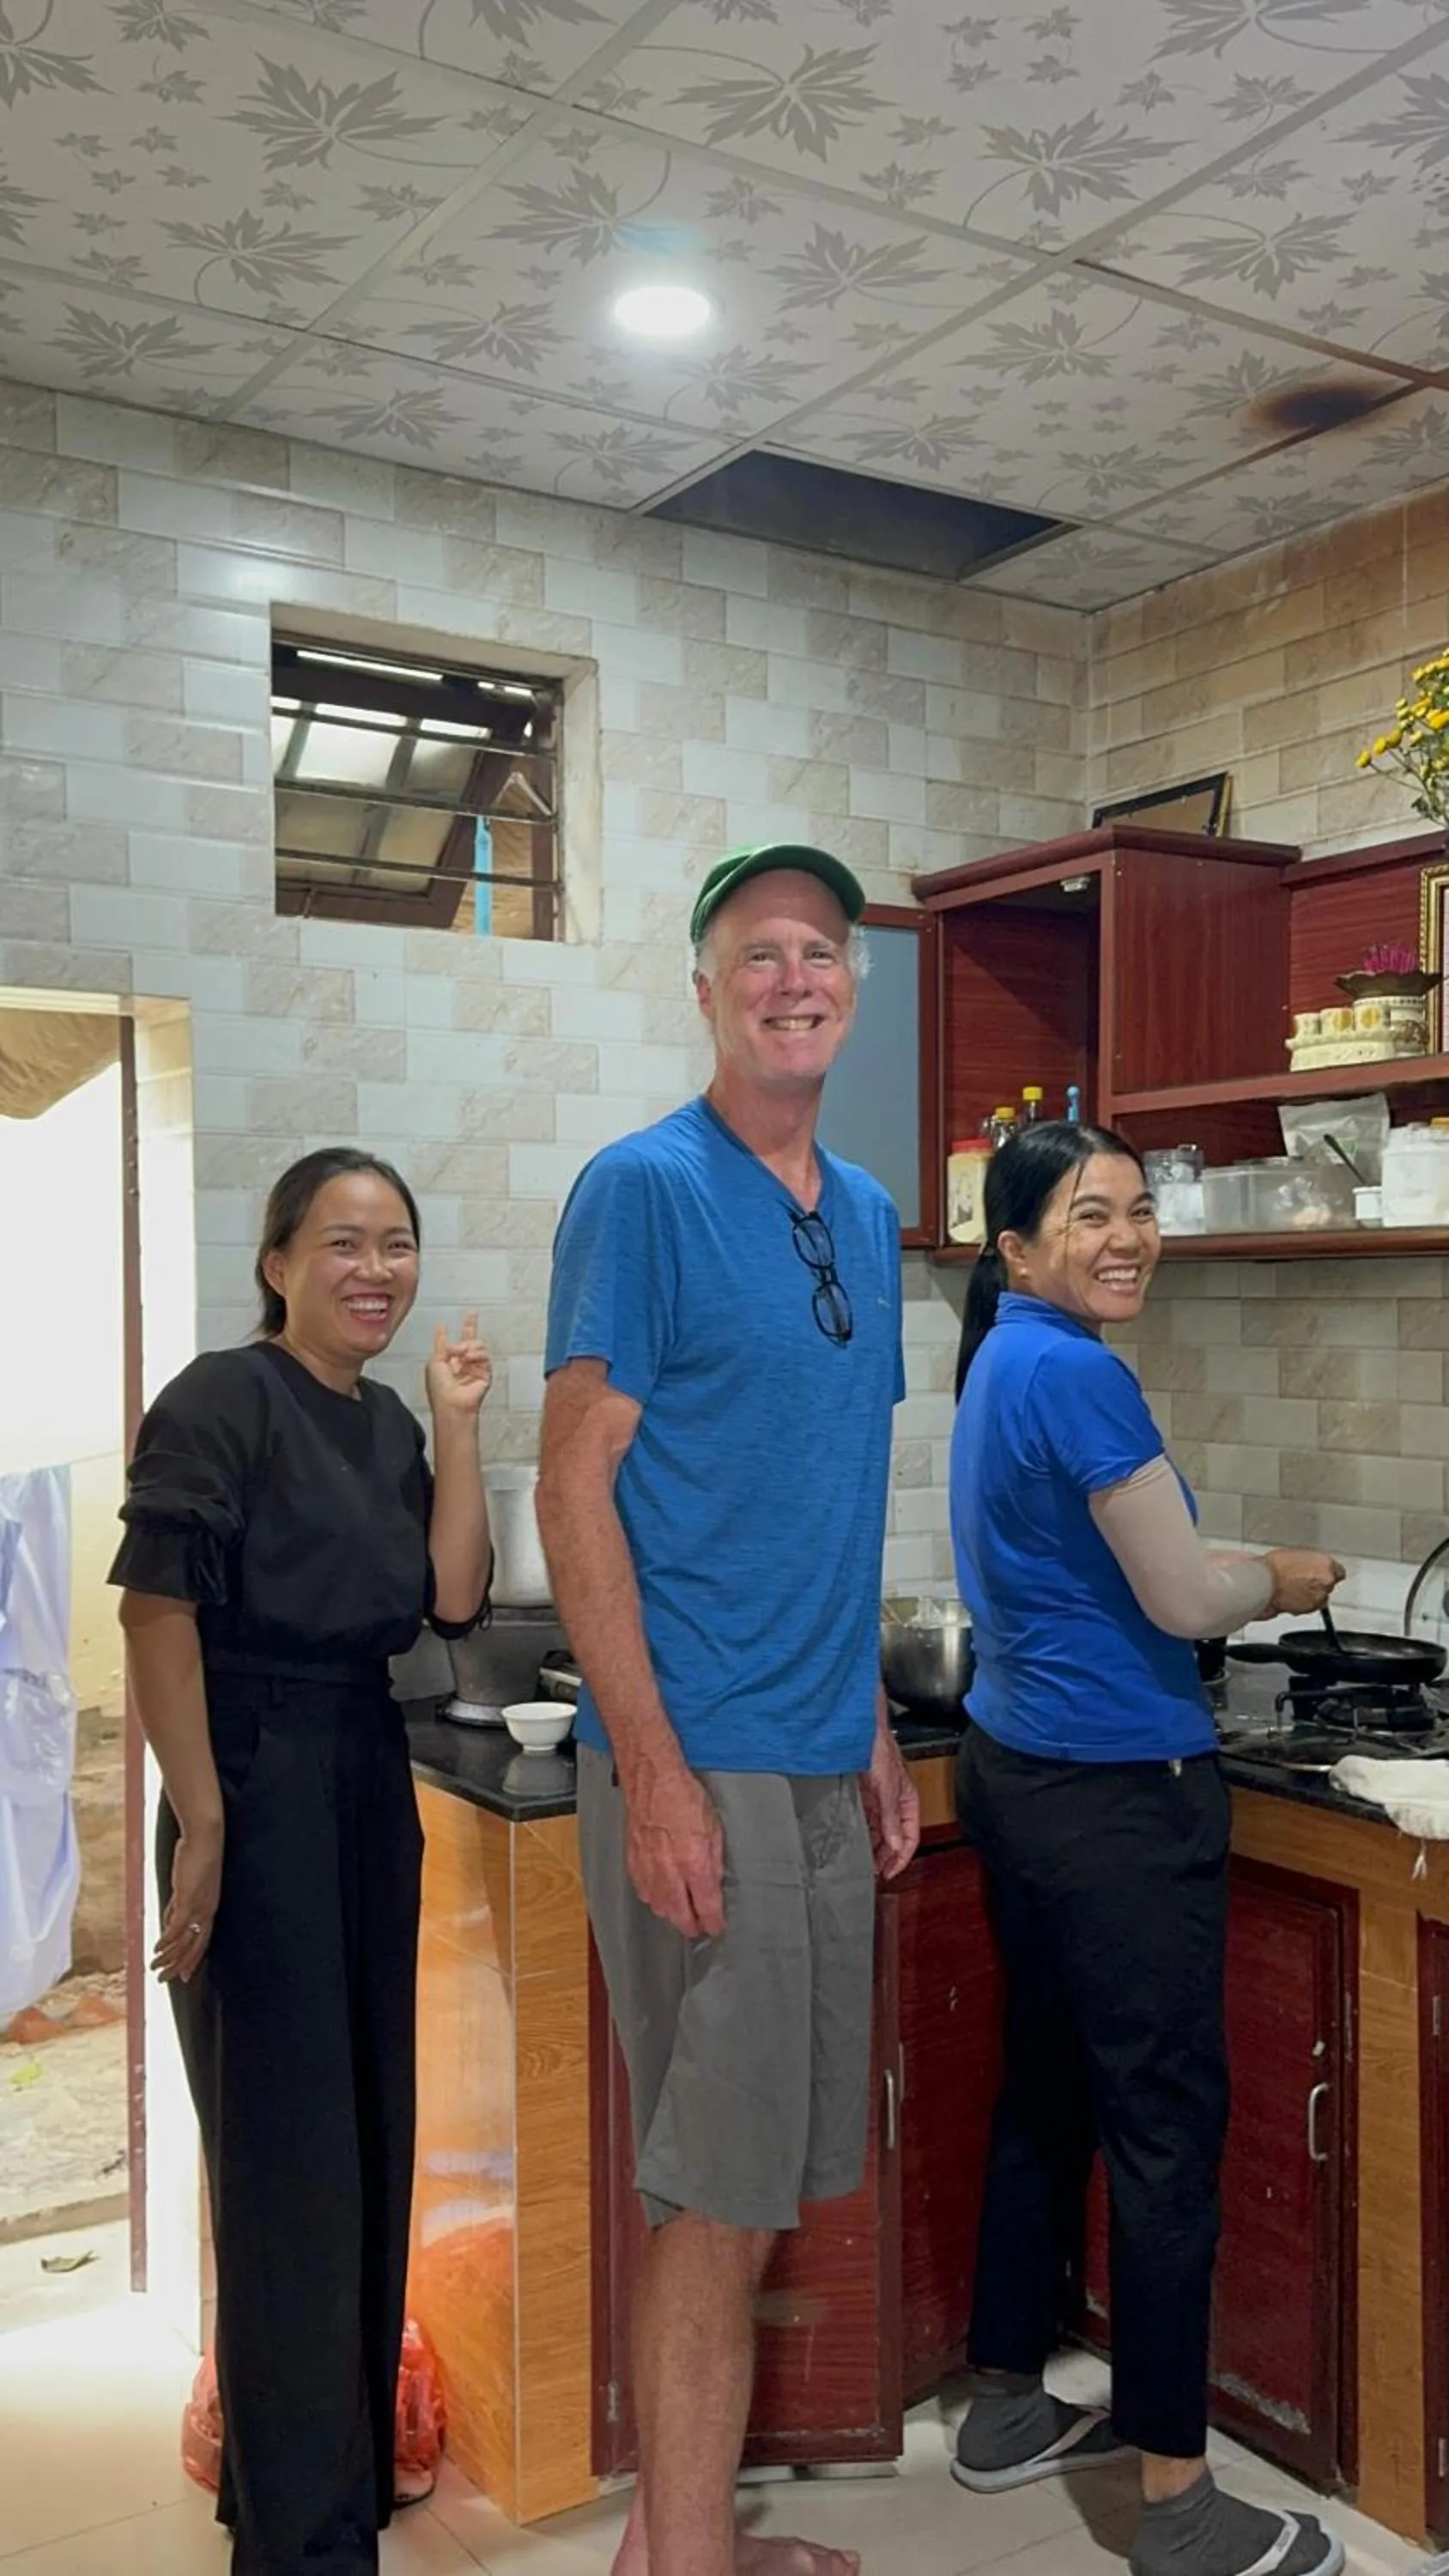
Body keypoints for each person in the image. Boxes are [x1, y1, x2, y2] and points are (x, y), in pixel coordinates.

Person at [537, 842, 920, 2576]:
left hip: (814, 1758)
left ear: (854, 985)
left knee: (761, 2178)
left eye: (818, 951)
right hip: (699, 1769)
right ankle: (683, 2565)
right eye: (755, 953)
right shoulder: (644, 1189)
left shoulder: (855, 1210)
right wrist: (654, 1771)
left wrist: (870, 1723)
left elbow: (814, 1492)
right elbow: (570, 1490)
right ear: (705, 990)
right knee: (706, 2202)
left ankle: (664, 2551)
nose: (792, 977)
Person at [947, 1119, 1346, 2576]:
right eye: (1088, 1216)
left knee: (1045, 2089)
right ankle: (1177, 2505)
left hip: (1018, 1774)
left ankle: (1000, 2404)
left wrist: (1211, 1568)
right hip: (1119, 1798)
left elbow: (1111, 1567)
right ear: (1018, 1249)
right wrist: (1282, 1577)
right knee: (1167, 2139)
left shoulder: (1000, 1361)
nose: (1127, 1237)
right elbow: (1182, 1598)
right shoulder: (1082, 1375)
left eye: (1138, 1208)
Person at [112, 1148, 493, 2576]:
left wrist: (456, 1425)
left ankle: (319, 2498)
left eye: (397, 1242)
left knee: (365, 2150)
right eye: (342, 1242)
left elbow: (451, 1594)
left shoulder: (390, 1420)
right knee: (284, 2173)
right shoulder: (223, 1400)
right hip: (251, 1776)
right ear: (278, 1264)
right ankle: (301, 2543)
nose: (375, 1270)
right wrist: (202, 1822)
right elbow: (158, 1617)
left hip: (358, 1779)